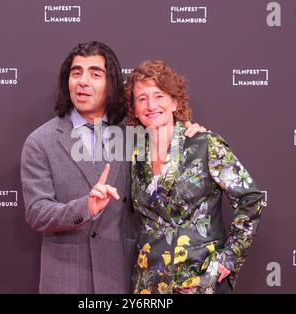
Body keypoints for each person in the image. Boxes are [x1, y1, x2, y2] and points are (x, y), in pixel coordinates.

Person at [20, 42, 206, 293]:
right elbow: (37, 212)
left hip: (123, 277)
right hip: (66, 281)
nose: (83, 81)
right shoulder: (40, 141)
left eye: (95, 74)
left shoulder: (135, 135)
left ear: (111, 83)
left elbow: (169, 147)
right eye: (76, 73)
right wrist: (85, 207)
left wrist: (190, 135)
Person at [122, 60, 266, 294]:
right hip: (149, 283)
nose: (151, 105)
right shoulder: (134, 154)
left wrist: (229, 259)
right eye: (142, 98)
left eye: (159, 95)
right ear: (135, 110)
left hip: (200, 282)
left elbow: (251, 199)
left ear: (174, 102)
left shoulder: (204, 144)